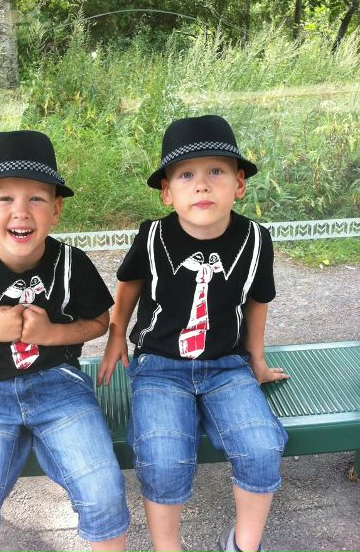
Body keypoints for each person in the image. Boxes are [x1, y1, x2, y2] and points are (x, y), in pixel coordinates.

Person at [0, 130, 130, 552]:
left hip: (59, 387)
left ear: (56, 210)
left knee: (103, 489)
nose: (21, 211)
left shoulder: (72, 264)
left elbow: (98, 321)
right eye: (4, 198)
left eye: (36, 198)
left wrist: (53, 334)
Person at [98, 115, 290, 552]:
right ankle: (168, 547)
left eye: (216, 171)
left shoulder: (255, 239)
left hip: (227, 366)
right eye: (186, 175)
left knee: (261, 447)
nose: (202, 185)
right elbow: (128, 285)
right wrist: (116, 335)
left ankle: (243, 544)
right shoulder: (152, 237)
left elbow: (258, 301)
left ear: (239, 184)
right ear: (167, 192)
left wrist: (257, 361)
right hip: (160, 366)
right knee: (163, 456)